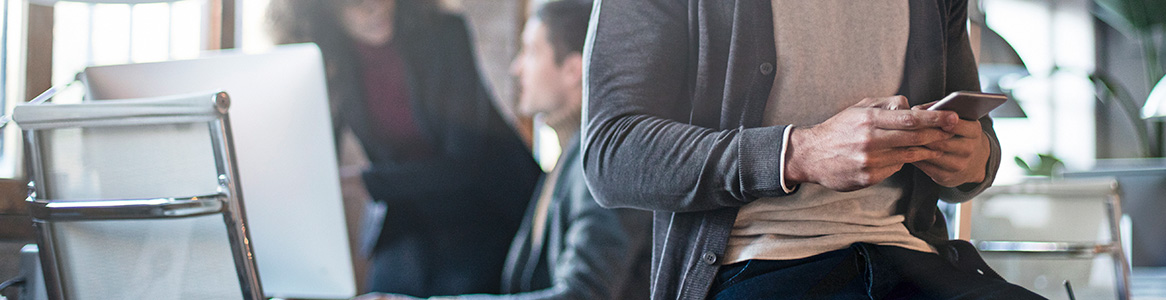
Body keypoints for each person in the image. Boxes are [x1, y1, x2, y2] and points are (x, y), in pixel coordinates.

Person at [581, 0, 1045, 299]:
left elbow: (979, 147)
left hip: (914, 261)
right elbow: (611, 153)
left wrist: (972, 159)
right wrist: (798, 153)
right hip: (754, 269)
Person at [352, 1, 652, 300]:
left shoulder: (604, 167)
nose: (516, 67)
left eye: (531, 52)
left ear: (573, 70)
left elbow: (583, 295)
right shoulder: (566, 160)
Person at [268, 0, 541, 297]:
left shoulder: (444, 33)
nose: (374, 7)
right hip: (409, 212)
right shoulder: (328, 59)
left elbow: (467, 162)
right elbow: (316, 151)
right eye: (356, 3)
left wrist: (369, 181)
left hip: (484, 206)